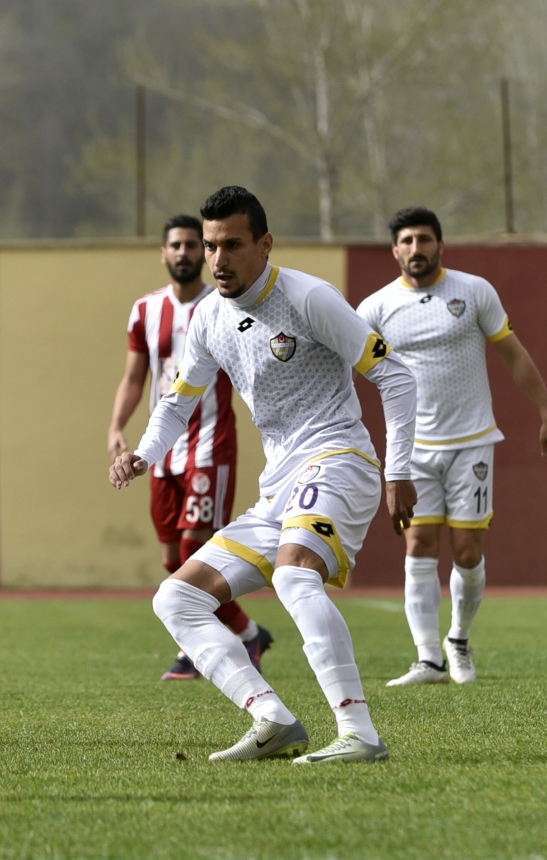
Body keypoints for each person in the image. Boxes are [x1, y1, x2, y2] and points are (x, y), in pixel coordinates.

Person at [110, 185, 418, 763]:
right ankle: (271, 719)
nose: (218, 260)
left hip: (338, 460)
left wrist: (399, 471)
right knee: (175, 599)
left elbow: (396, 377)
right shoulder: (207, 318)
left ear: (265, 244)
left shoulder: (309, 298)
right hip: (279, 486)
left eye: (232, 245)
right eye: (209, 247)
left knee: (294, 576)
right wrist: (144, 456)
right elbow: (178, 400)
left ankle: (361, 734)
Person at [357, 207, 547, 686]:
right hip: (414, 448)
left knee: (468, 551)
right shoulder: (376, 308)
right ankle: (427, 659)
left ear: (440, 245)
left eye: (424, 239)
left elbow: (514, 353)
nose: (416, 248)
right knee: (419, 543)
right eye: (406, 241)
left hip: (472, 442)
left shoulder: (473, 292)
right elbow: (345, 364)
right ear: (394, 250)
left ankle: (459, 640)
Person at [108, 214, 274, 681]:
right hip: (162, 448)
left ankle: (195, 649)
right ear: (163, 253)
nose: (183, 253)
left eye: (190, 245)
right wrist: (117, 425)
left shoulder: (226, 303)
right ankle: (247, 633)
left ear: (203, 251)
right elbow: (134, 376)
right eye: (174, 246)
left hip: (210, 444)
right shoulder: (145, 310)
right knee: (171, 557)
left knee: (192, 549)